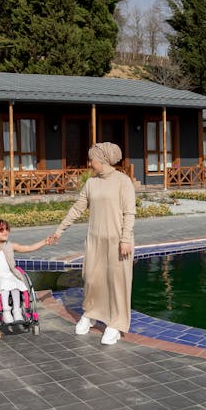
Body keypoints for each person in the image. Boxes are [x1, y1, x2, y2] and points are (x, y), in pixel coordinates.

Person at [51, 142, 136, 345]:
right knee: (92, 279)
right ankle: (90, 314)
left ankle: (115, 324)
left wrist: (125, 239)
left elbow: (129, 213)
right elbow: (77, 208)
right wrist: (59, 230)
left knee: (117, 283)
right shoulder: (91, 183)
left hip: (118, 242)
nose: (90, 163)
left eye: (92, 159)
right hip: (95, 240)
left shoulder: (123, 181)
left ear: (103, 160)